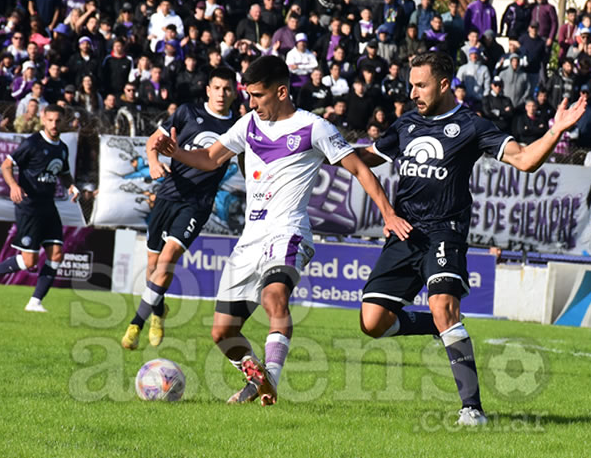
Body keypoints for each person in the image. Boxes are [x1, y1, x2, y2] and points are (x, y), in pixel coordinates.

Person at [154, 55, 411, 406]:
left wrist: (389, 214)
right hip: (251, 238)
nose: (251, 103)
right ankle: (255, 378)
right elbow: (211, 158)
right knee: (223, 332)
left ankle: (270, 380)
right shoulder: (248, 124)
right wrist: (178, 152)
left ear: (281, 92)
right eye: (249, 95)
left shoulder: (314, 127)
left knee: (274, 298)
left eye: (258, 95)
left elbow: (360, 169)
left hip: (288, 231)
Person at [354, 51, 587, 427]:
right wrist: (320, 149)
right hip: (405, 231)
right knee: (372, 322)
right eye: (411, 85)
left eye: (421, 85)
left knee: (443, 305)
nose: (413, 93)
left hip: (444, 232)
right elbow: (365, 157)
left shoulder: (472, 125)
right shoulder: (406, 124)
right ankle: (436, 325)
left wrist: (556, 129)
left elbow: (526, 160)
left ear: (444, 84)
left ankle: (472, 409)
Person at [121, 68, 238, 350]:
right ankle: (158, 311)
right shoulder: (187, 112)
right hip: (168, 195)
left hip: (198, 204)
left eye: (227, 89)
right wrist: (153, 162)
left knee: (167, 259)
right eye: (217, 88)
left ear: (234, 93)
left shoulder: (238, 127)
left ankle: (135, 324)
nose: (221, 94)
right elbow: (153, 142)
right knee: (152, 266)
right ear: (208, 90)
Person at [0, 105, 79, 312]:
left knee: (56, 255)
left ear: (63, 122)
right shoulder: (32, 143)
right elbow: (6, 165)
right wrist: (14, 186)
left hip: (48, 206)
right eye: (50, 120)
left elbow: (63, 172)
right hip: (29, 206)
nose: (54, 124)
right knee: (29, 261)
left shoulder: (62, 148)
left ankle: (35, 302)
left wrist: (71, 186)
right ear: (43, 120)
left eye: (58, 121)